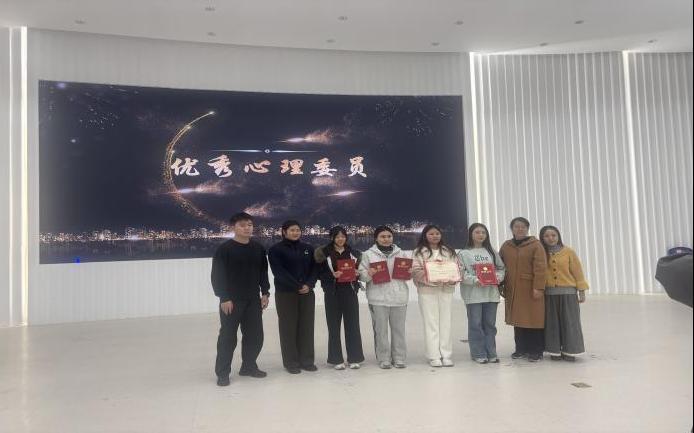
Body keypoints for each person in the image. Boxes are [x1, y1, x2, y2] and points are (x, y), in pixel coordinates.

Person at [211, 212, 270, 386]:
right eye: (242, 225)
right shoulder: (224, 249)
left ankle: (248, 366)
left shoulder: (258, 248)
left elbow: (263, 272)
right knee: (228, 337)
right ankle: (223, 373)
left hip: (253, 300)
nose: (247, 228)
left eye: (249, 225)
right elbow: (217, 275)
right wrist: (224, 297)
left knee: (255, 335)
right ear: (233, 227)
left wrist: (265, 293)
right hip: (232, 301)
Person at [268, 220, 318, 374]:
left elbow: (315, 269)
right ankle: (291, 362)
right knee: (288, 328)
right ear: (284, 232)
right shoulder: (275, 250)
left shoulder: (308, 248)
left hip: (307, 293)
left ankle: (307, 360)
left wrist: (309, 284)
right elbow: (279, 272)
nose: (296, 232)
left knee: (307, 326)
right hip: (286, 294)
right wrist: (297, 286)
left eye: (298, 230)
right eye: (292, 230)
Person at [358, 226, 411, 369]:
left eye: (389, 236)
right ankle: (383, 358)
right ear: (376, 238)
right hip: (378, 298)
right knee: (380, 331)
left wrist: (409, 272)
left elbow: (407, 274)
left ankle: (399, 357)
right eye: (382, 236)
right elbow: (362, 276)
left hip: (399, 298)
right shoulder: (368, 254)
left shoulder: (401, 253)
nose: (386, 239)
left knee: (399, 330)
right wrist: (368, 273)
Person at [314, 226, 365, 370]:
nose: (340, 239)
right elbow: (318, 273)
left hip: (350, 292)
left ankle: (354, 358)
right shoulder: (323, 253)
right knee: (333, 327)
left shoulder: (354, 253)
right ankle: (336, 359)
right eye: (337, 236)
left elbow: (360, 271)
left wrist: (357, 273)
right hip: (332, 293)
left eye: (343, 236)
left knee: (353, 326)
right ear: (332, 238)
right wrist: (332, 275)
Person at [499, 217, 547, 362]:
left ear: (527, 229)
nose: (520, 229)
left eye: (523, 227)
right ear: (512, 229)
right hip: (512, 289)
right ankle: (520, 349)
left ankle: (536, 351)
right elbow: (500, 266)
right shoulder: (506, 246)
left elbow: (541, 267)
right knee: (518, 320)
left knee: (533, 320)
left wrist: (538, 287)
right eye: (516, 226)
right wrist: (500, 284)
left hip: (530, 288)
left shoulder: (536, 245)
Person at [411, 224, 459, 367]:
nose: (434, 236)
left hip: (446, 290)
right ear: (425, 235)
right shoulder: (419, 252)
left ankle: (446, 355)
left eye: (437, 233)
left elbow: (457, 268)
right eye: (431, 234)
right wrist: (431, 278)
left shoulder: (448, 251)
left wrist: (452, 278)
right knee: (431, 323)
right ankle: (434, 356)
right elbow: (415, 271)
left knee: (446, 323)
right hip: (427, 291)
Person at [458, 223, 506, 364]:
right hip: (473, 296)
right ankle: (478, 353)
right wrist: (475, 280)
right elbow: (461, 274)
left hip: (491, 294)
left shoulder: (491, 252)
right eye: (477, 232)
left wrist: (498, 278)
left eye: (483, 232)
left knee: (490, 325)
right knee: (476, 325)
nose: (480, 235)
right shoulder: (463, 253)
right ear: (471, 234)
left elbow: (501, 268)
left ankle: (491, 352)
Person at [539, 225, 588, 362]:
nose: (550, 238)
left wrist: (581, 290)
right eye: (546, 236)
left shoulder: (568, 252)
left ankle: (570, 351)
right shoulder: (540, 253)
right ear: (542, 238)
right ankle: (554, 351)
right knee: (552, 324)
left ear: (558, 236)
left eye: (553, 235)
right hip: (549, 295)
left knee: (570, 323)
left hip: (568, 294)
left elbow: (577, 271)